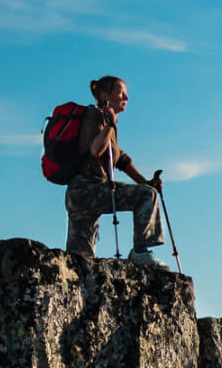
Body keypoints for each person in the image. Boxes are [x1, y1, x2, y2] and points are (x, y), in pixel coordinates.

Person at [65, 77, 166, 266]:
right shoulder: (95, 116)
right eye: (121, 93)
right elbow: (96, 150)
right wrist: (111, 125)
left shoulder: (105, 121)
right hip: (89, 188)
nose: (126, 98)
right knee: (146, 195)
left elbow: (121, 159)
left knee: (80, 260)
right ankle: (140, 252)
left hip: (80, 194)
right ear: (105, 95)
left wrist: (145, 182)